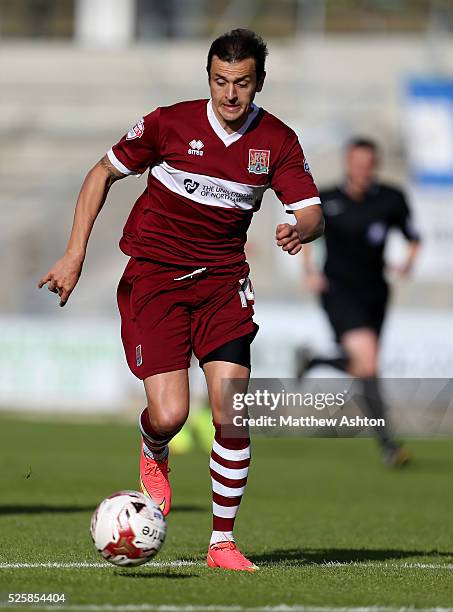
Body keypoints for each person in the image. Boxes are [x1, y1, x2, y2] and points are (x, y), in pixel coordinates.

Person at [38, 29, 324, 571]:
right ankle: (154, 444)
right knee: (170, 414)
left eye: (241, 83)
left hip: (222, 285)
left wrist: (300, 229)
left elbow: (311, 209)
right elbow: (101, 173)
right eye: (220, 81)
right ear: (209, 77)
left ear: (260, 81)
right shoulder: (170, 123)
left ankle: (221, 543)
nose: (230, 94)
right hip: (157, 280)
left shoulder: (278, 142)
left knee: (232, 411)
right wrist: (75, 253)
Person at [297, 138, 420, 466]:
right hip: (338, 291)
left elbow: (413, 238)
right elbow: (308, 235)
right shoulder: (329, 199)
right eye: (357, 163)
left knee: (363, 366)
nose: (363, 169)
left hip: (375, 293)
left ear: (375, 165)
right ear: (348, 164)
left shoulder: (391, 199)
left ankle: (317, 360)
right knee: (368, 364)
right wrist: (309, 271)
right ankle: (389, 444)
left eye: (369, 163)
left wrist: (407, 263)